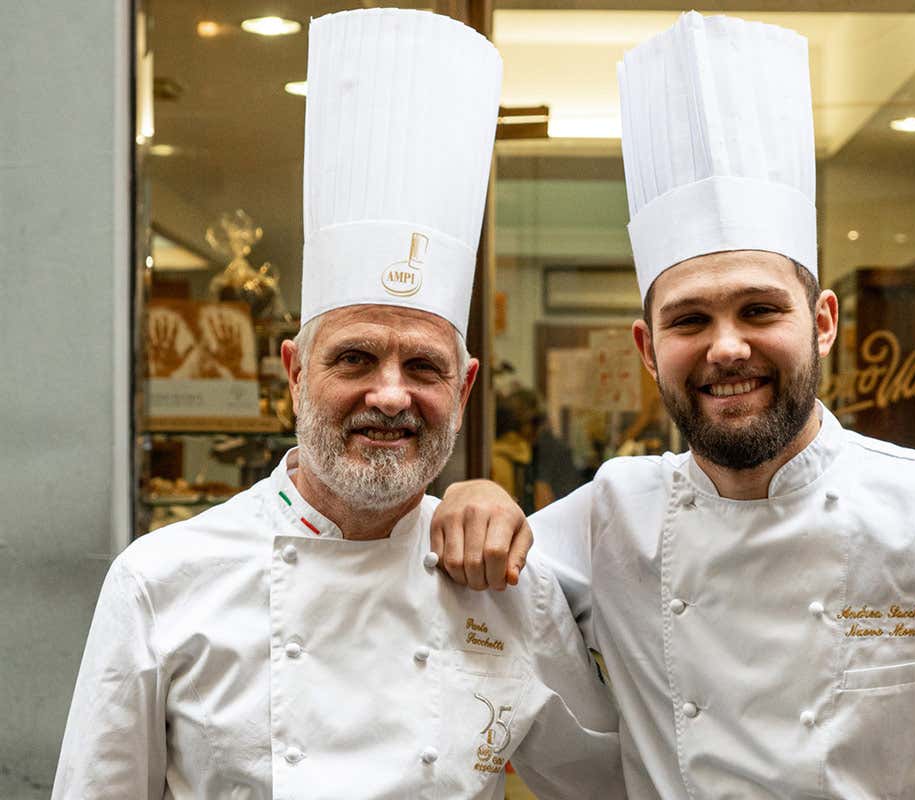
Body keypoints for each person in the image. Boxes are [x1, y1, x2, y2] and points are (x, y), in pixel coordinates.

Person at [431, 12, 915, 799]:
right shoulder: (612, 514)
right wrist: (474, 495)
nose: (727, 347)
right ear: (647, 347)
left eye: (760, 310)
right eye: (689, 320)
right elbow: (478, 587)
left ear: (823, 322)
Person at [53, 10, 622, 799]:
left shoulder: (506, 584)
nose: (389, 394)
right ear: (293, 372)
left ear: (463, 391)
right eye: (354, 358)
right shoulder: (161, 580)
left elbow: (607, 784)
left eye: (422, 366)